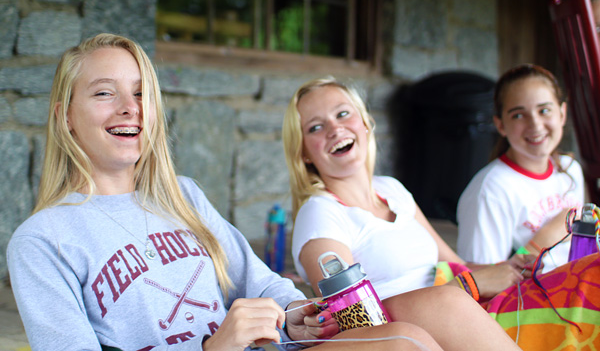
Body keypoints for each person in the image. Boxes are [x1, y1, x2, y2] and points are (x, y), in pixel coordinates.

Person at [6, 33, 449, 351]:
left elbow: (259, 282)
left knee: (417, 328)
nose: (130, 107)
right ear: (65, 116)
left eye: (143, 93)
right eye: (105, 92)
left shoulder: (183, 196)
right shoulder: (44, 240)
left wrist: (294, 315)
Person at [282, 77, 523, 351]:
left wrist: (513, 268)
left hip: (457, 313)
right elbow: (354, 320)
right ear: (303, 153)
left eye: (343, 114)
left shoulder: (393, 189)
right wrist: (468, 285)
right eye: (316, 127)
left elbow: (456, 263)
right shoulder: (319, 213)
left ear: (365, 122)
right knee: (450, 304)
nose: (335, 129)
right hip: (409, 331)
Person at [456, 64, 585, 272]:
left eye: (544, 110)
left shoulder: (571, 169)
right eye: (518, 115)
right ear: (500, 125)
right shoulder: (491, 190)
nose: (535, 124)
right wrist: (545, 238)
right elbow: (481, 277)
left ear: (562, 113)